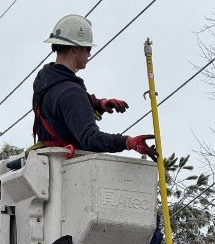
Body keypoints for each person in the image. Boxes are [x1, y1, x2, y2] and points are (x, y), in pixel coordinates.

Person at [31, 14, 158, 161]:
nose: (90, 54)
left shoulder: (47, 82)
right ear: (74, 48)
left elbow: (62, 110)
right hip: (70, 169)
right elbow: (90, 138)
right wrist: (128, 142)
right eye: (87, 48)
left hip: (49, 163)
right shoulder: (71, 92)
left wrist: (99, 104)